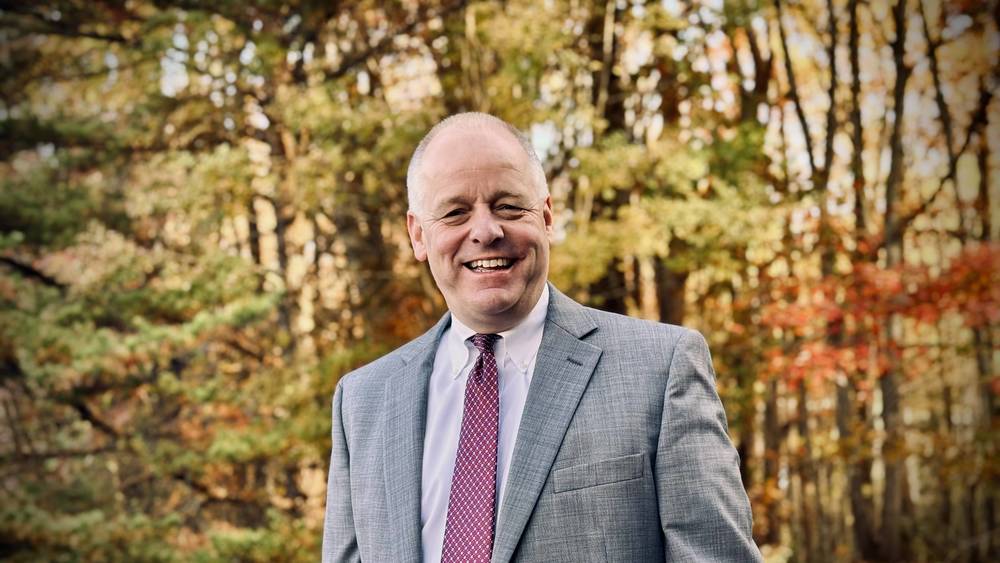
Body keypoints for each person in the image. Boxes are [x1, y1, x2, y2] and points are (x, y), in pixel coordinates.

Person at [322, 112, 762, 562]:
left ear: (547, 216)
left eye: (508, 206)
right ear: (418, 235)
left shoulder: (660, 370)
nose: (486, 231)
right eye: (455, 213)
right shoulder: (363, 402)